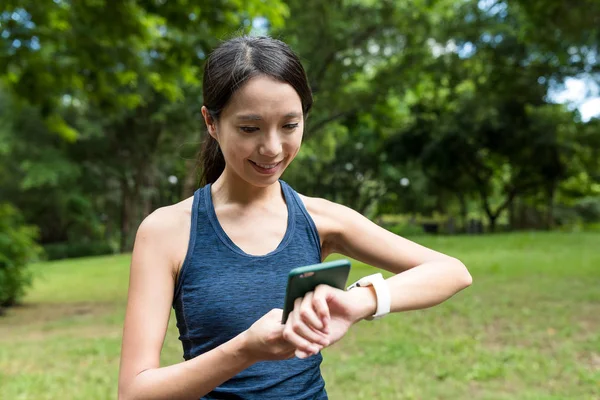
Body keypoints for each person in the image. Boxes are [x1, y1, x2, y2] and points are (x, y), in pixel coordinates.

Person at [117, 35, 472, 400]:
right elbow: (134, 392)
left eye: (289, 125)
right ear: (211, 122)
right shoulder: (167, 231)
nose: (272, 148)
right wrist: (245, 350)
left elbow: (452, 271)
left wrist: (359, 302)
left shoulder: (320, 219)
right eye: (249, 128)